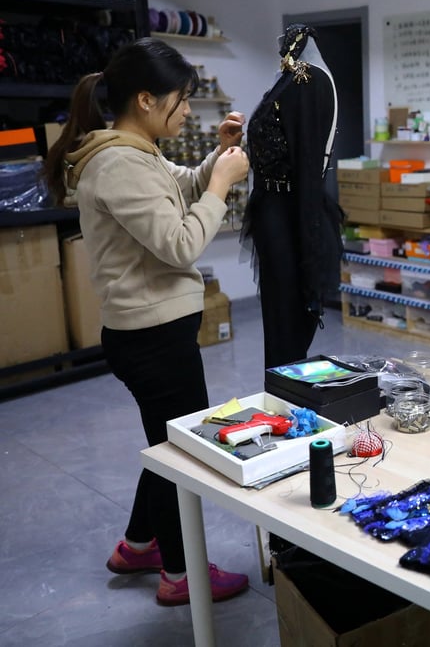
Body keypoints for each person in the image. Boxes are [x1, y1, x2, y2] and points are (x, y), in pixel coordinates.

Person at [43, 37, 251, 605]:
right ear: (144, 99)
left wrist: (214, 161)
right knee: (182, 452)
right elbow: (179, 243)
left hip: (154, 331)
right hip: (152, 336)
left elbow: (174, 190)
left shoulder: (136, 153)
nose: (187, 109)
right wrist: (221, 186)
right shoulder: (116, 163)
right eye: (180, 100)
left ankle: (138, 546)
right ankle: (182, 576)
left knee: (167, 443)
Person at [242, 23, 343, 369]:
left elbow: (307, 163)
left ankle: (288, 400)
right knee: (278, 318)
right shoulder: (285, 80)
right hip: (273, 214)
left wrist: (309, 246)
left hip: (292, 216)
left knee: (288, 323)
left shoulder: (307, 81)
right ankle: (281, 397)